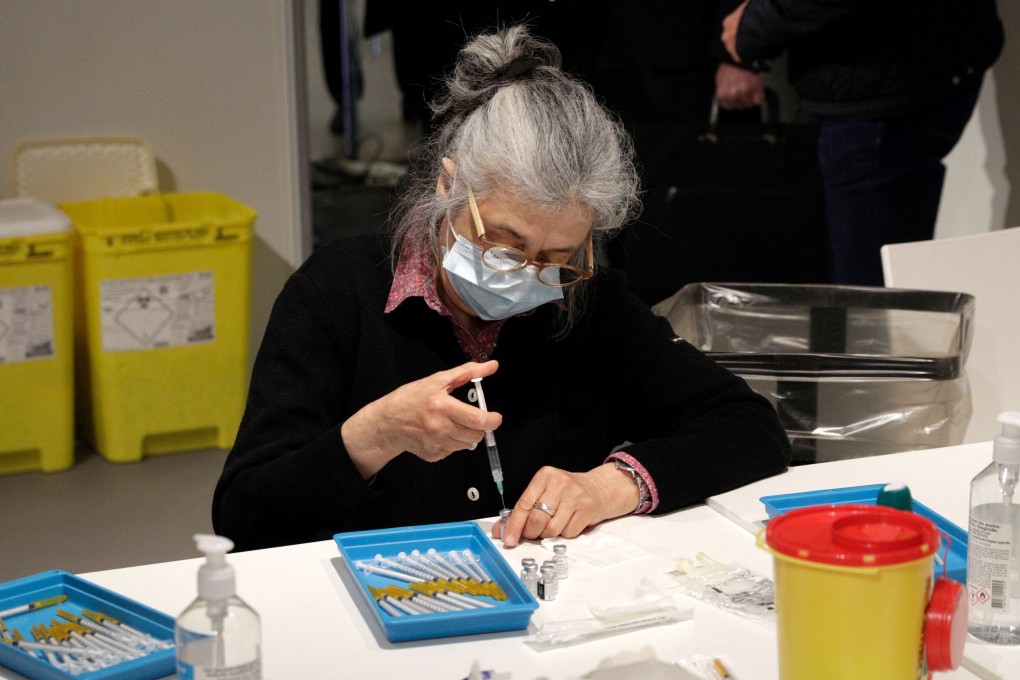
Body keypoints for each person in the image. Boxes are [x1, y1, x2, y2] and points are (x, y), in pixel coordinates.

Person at [212, 25, 792, 552]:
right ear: (448, 183)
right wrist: (373, 437)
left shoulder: (590, 302)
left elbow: (749, 427)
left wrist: (610, 485)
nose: (527, 274)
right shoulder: (336, 292)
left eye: (558, 257)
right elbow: (245, 514)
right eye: (506, 245)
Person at [721, 0, 1004, 286]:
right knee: (873, 294)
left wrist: (757, 24)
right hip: (891, 73)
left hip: (881, 82)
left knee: (871, 304)